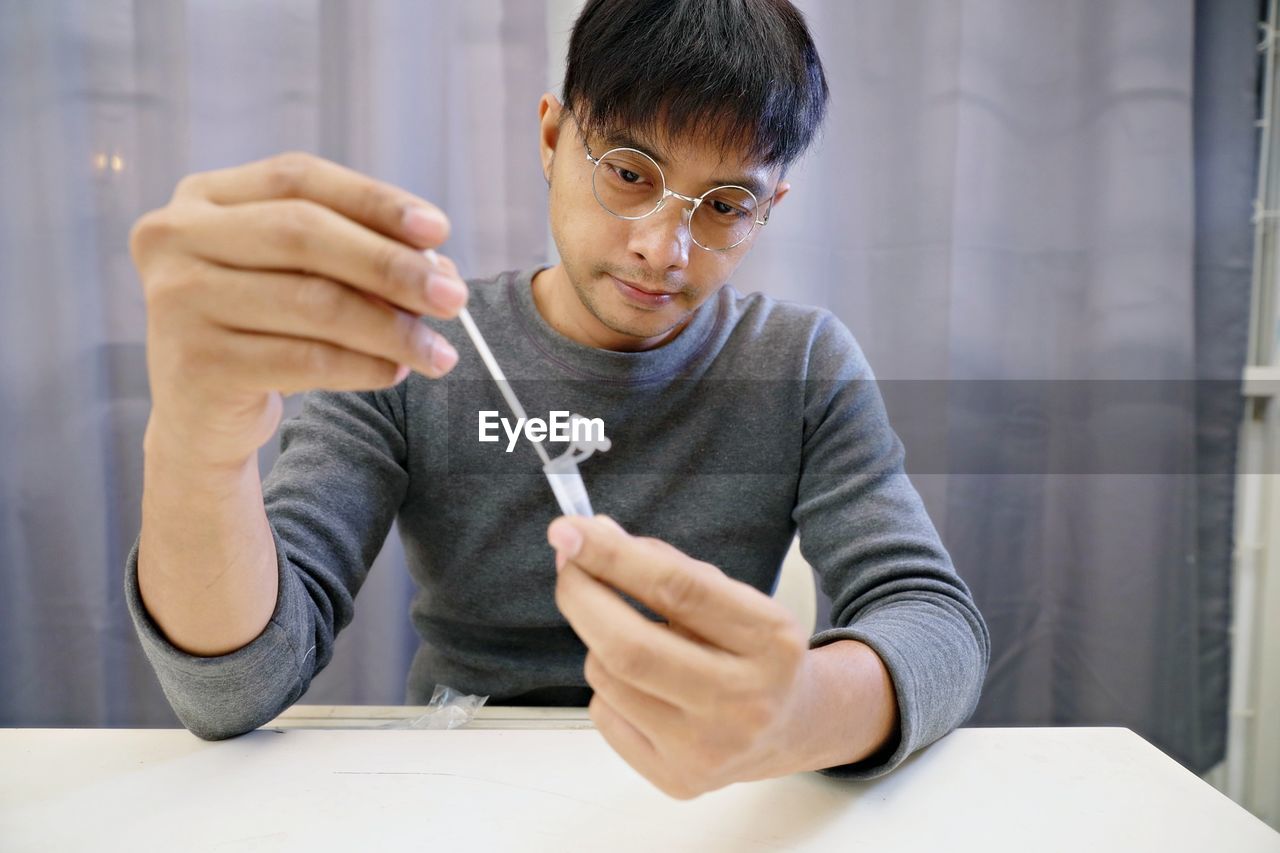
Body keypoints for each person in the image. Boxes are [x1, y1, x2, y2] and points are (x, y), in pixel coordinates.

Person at [125, 0, 989, 800]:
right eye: (627, 170)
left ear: (770, 208)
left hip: (708, 805)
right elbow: (230, 686)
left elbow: (936, 621)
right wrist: (199, 441)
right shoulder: (420, 351)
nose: (662, 248)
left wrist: (806, 710)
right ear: (550, 137)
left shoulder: (799, 363)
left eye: (725, 205)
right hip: (456, 789)